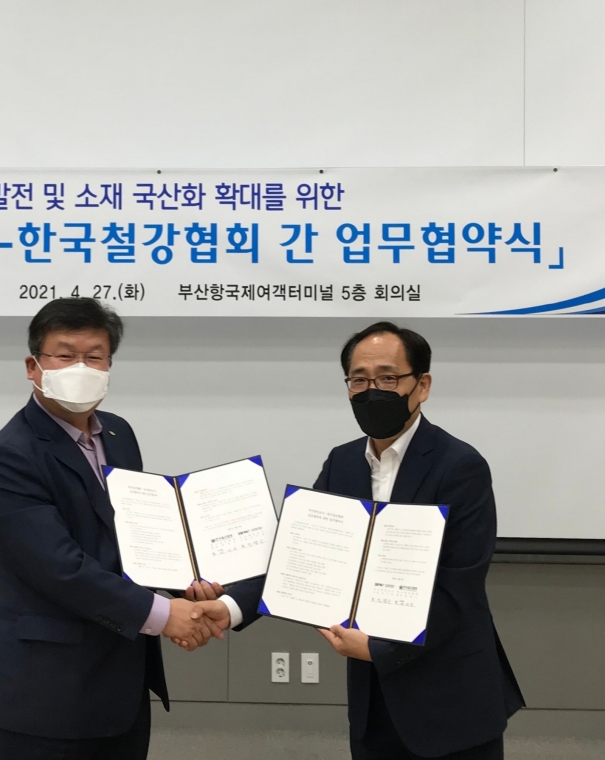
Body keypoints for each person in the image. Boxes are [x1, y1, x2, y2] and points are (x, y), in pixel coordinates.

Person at [183, 321, 524, 760]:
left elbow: (460, 587)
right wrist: (229, 607)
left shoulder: (459, 466)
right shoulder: (343, 463)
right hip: (373, 698)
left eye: (387, 378)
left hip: (449, 695)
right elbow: (297, 554)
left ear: (421, 386)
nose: (371, 391)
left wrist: (381, 648)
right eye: (359, 380)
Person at [0, 298, 225, 760]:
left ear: (109, 366)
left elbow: (134, 535)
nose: (81, 368)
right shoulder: (11, 455)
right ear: (33, 367)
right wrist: (164, 614)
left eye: (94, 356)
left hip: (119, 677)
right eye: (65, 355)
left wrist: (185, 582)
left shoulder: (118, 434)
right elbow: (58, 569)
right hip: (42, 689)